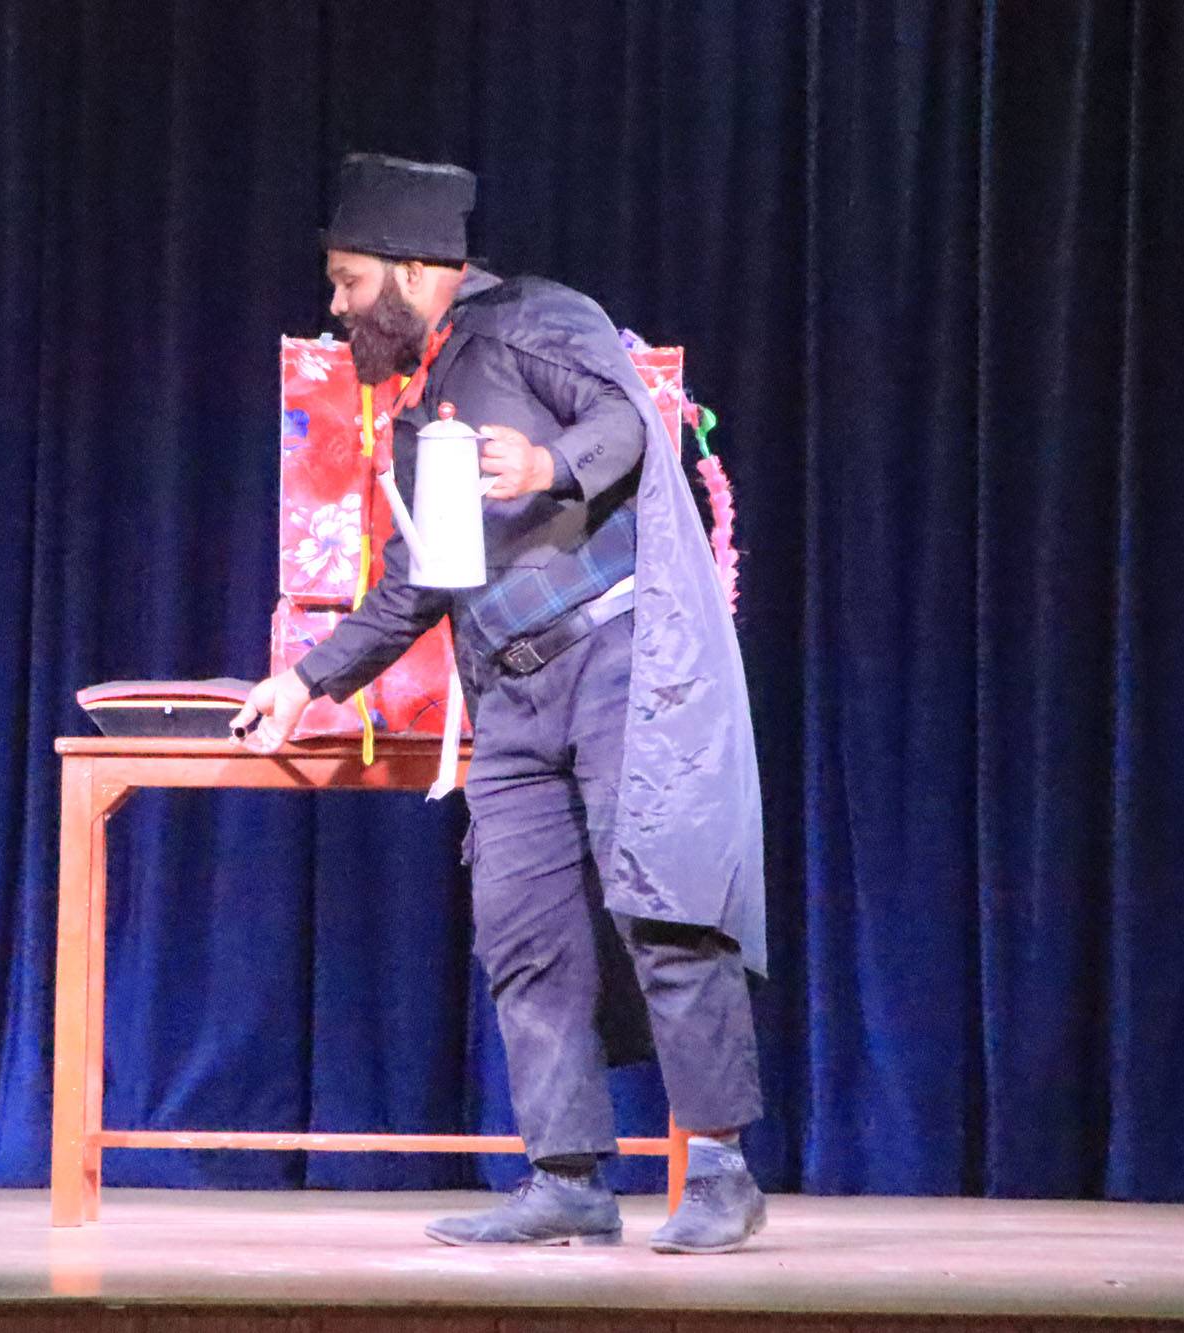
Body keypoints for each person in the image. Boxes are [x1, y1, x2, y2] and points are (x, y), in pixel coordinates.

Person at [231, 153, 770, 1253]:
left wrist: (546, 465)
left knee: (662, 904)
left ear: (412, 268)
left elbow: (628, 424)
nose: (337, 306)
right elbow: (416, 583)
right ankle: (566, 1177)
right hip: (512, 700)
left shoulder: (537, 320)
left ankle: (720, 1170)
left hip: (615, 662)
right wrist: (303, 680)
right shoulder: (419, 404)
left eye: (347, 281)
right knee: (525, 932)